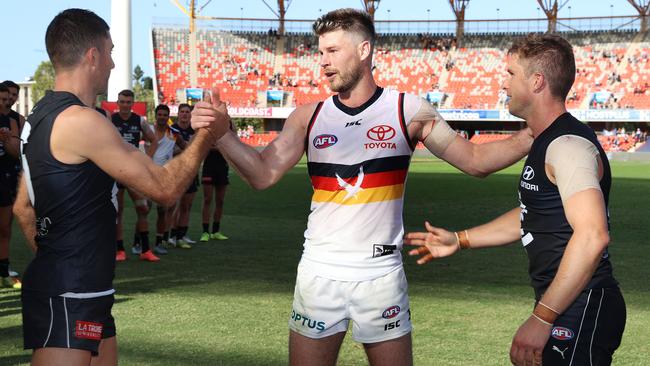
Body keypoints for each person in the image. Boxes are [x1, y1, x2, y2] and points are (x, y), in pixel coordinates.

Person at [194, 8, 532, 365]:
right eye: (320, 52)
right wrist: (223, 135)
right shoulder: (308, 117)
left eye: (333, 51)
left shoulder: (409, 110)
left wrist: (533, 133)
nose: (322, 62)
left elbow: (475, 162)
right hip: (319, 271)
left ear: (364, 50)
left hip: (380, 275)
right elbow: (262, 174)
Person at [12, 8, 229, 365]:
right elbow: (165, 188)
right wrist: (208, 135)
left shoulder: (40, 117)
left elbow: (24, 207)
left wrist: (58, 264)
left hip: (83, 287)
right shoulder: (82, 122)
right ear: (93, 56)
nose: (113, 63)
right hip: (71, 291)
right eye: (110, 52)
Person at [405, 34, 625, 366]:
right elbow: (533, 214)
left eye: (510, 74)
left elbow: (593, 236)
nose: (503, 83)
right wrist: (460, 239)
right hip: (567, 303)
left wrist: (543, 317)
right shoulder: (544, 140)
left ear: (537, 82)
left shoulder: (568, 146)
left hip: (583, 306)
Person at [110, 89, 159, 261]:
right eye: (122, 101)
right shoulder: (110, 119)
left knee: (143, 208)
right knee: (118, 211)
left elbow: (153, 140)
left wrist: (147, 159)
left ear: (133, 103)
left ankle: (145, 250)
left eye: (128, 102)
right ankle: (119, 250)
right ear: (118, 102)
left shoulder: (139, 121)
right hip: (115, 171)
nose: (125, 105)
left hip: (133, 171)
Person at [150, 104, 187, 254]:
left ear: (168, 117)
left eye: (165, 115)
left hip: (165, 176)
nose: (162, 117)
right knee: (144, 208)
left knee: (162, 211)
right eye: (160, 114)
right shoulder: (148, 131)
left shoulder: (172, 133)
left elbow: (185, 146)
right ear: (156, 115)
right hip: (147, 174)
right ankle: (138, 242)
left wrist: (174, 156)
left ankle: (159, 242)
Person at [0, 83, 21, 289]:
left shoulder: (13, 120)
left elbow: (16, 152)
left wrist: (8, 141)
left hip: (6, 176)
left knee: (5, 227)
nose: (7, 102)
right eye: (3, 99)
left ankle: (4, 270)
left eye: (9, 99)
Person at [170, 103, 198, 246]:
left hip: (191, 171)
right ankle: (172, 235)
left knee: (187, 206)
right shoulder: (173, 130)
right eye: (182, 112)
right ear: (178, 113)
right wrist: (187, 149)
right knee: (175, 205)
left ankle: (182, 234)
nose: (185, 114)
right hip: (176, 171)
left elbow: (197, 151)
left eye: (187, 112)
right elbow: (171, 152)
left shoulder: (194, 131)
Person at [199, 138, 230, 242]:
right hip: (209, 167)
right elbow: (204, 147)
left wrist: (216, 146)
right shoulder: (209, 126)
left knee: (220, 200)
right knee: (207, 199)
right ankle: (205, 232)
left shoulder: (229, 126)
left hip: (222, 167)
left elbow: (231, 147)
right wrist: (220, 147)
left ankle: (215, 231)